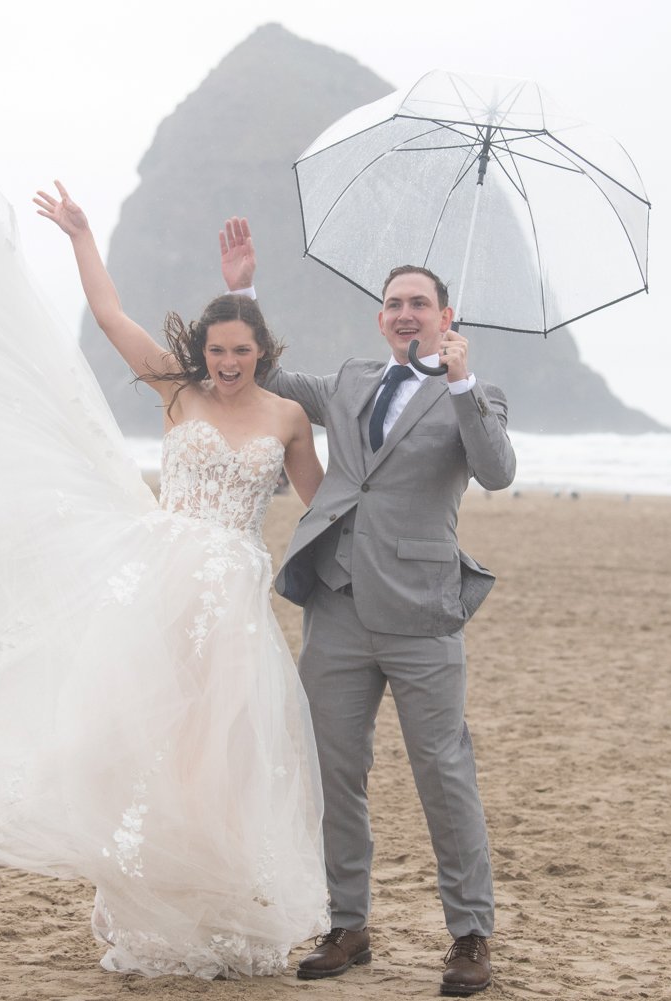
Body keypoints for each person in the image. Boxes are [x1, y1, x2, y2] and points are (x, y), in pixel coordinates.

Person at [0, 144, 329, 980]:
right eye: (215, 352)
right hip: (159, 580)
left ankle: (223, 910)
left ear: (261, 351)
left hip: (232, 601)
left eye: (239, 353)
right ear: (204, 352)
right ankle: (153, 913)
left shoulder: (289, 417)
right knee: (140, 738)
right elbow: (111, 320)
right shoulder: (176, 390)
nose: (225, 365)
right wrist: (81, 236)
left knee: (219, 757)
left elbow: (322, 504)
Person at [218, 217, 517, 995]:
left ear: (447, 317)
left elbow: (497, 472)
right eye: (394, 302)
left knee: (443, 772)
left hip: (422, 609)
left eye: (420, 302)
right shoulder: (351, 379)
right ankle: (348, 924)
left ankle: (470, 935)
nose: (406, 312)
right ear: (381, 317)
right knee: (332, 770)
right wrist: (243, 290)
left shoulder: (475, 395)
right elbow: (272, 382)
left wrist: (459, 385)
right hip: (339, 603)